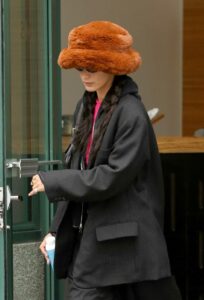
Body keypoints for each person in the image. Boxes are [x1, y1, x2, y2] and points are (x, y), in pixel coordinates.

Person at [29, 21, 182, 300]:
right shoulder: (86, 106)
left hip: (122, 241)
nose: (85, 75)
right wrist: (54, 230)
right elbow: (77, 168)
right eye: (80, 68)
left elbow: (112, 176)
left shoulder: (131, 113)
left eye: (92, 67)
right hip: (99, 238)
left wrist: (53, 181)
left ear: (113, 66)